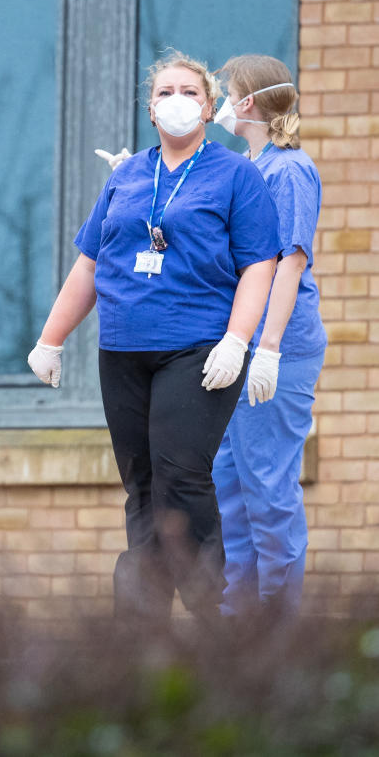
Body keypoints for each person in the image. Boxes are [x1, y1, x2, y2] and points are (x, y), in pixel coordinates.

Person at [28, 51, 279, 624]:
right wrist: (51, 339)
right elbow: (89, 264)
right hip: (122, 350)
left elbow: (259, 265)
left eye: (190, 91)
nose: (177, 101)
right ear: (149, 108)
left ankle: (207, 610)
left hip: (198, 348)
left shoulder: (236, 174)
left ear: (210, 106)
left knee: (181, 474)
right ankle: (139, 624)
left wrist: (238, 341)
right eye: (165, 91)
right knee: (141, 484)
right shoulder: (127, 176)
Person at [208, 55, 325, 621]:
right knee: (232, 488)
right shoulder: (246, 169)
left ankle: (279, 630)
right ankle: (240, 625)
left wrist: (269, 348)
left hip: (276, 351)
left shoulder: (290, 170)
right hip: (239, 349)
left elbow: (290, 262)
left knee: (269, 488)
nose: (223, 103)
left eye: (228, 93)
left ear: (247, 102)